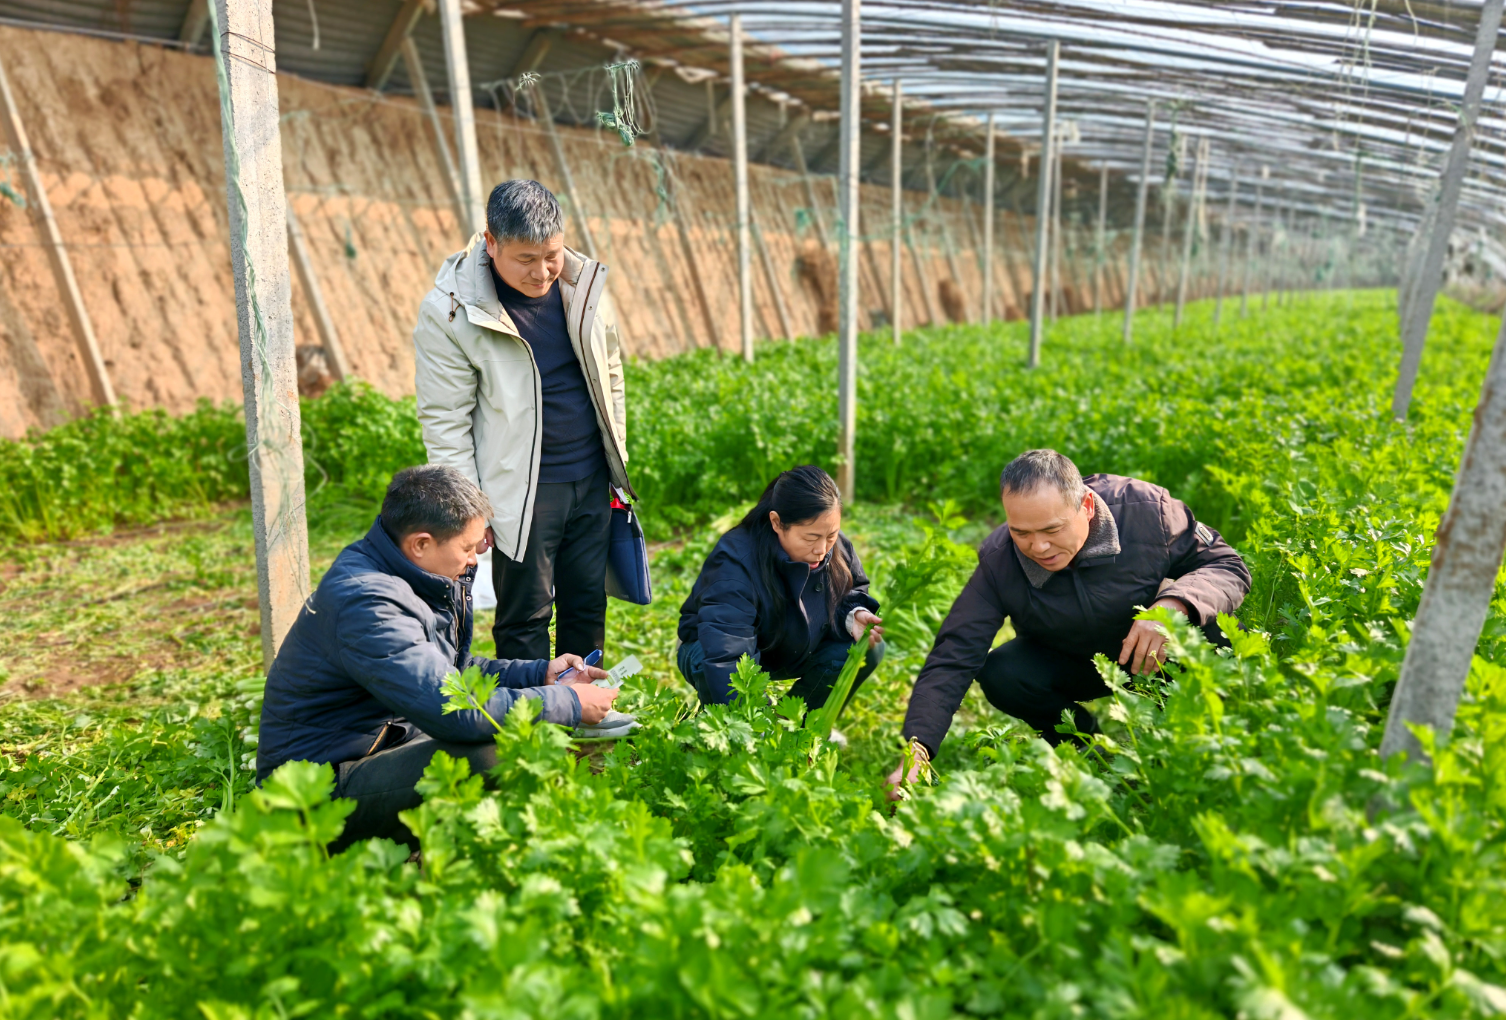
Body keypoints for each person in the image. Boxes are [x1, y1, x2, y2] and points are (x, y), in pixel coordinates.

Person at [257, 465, 619, 851]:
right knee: (493, 755)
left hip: (379, 747)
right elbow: (453, 710)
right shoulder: (368, 603)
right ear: (421, 543)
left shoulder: (404, 571)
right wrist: (568, 702)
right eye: (466, 547)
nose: (474, 559)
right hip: (314, 789)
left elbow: (448, 671)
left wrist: (539, 674)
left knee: (505, 733)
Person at [888, 449, 1250, 791]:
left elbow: (1227, 565)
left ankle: (1188, 735)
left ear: (1087, 506)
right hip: (1075, 661)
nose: (1038, 547)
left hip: (1157, 654)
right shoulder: (1000, 561)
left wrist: (1173, 606)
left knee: (1213, 628)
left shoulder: (1145, 511)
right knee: (1002, 672)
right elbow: (954, 653)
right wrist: (917, 748)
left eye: (1051, 530)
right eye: (1022, 533)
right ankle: (1087, 751)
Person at [413, 179, 631, 662]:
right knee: (526, 614)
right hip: (521, 491)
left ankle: (582, 707)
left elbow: (611, 371)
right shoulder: (452, 313)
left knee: (587, 604)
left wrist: (617, 460)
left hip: (591, 477)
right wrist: (469, 508)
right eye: (526, 259)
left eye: (551, 254)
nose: (542, 272)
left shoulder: (581, 285)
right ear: (491, 243)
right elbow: (445, 421)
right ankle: (534, 725)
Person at [678, 466, 886, 711]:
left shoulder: (834, 547)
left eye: (831, 535)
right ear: (777, 522)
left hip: (792, 648)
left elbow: (850, 592)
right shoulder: (735, 560)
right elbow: (727, 653)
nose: (822, 549)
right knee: (709, 661)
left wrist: (853, 615)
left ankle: (802, 729)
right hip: (718, 649)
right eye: (810, 538)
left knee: (864, 649)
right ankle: (731, 726)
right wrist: (759, 729)